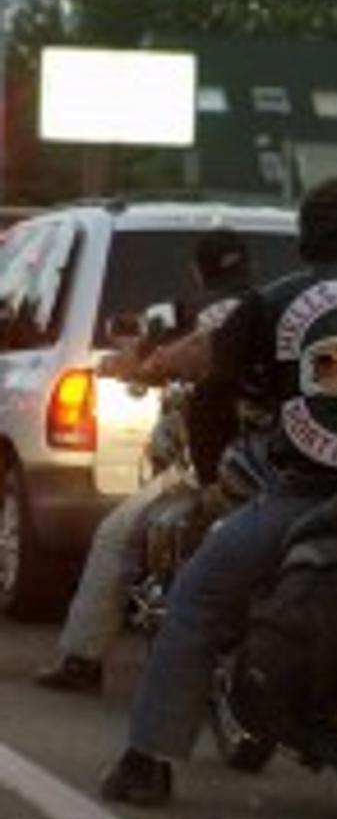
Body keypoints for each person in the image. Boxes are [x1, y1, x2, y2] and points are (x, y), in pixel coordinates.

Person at [98, 177, 337, 805]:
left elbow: (214, 380)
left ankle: (146, 762)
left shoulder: (273, 303)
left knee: (197, 598)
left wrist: (208, 459)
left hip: (308, 495)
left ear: (307, 236)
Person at [34, 231, 254, 693]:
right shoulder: (269, 308)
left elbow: (145, 359)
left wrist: (116, 366)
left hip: (207, 463)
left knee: (116, 535)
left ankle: (82, 659)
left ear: (198, 269)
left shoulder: (178, 311)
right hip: (269, 460)